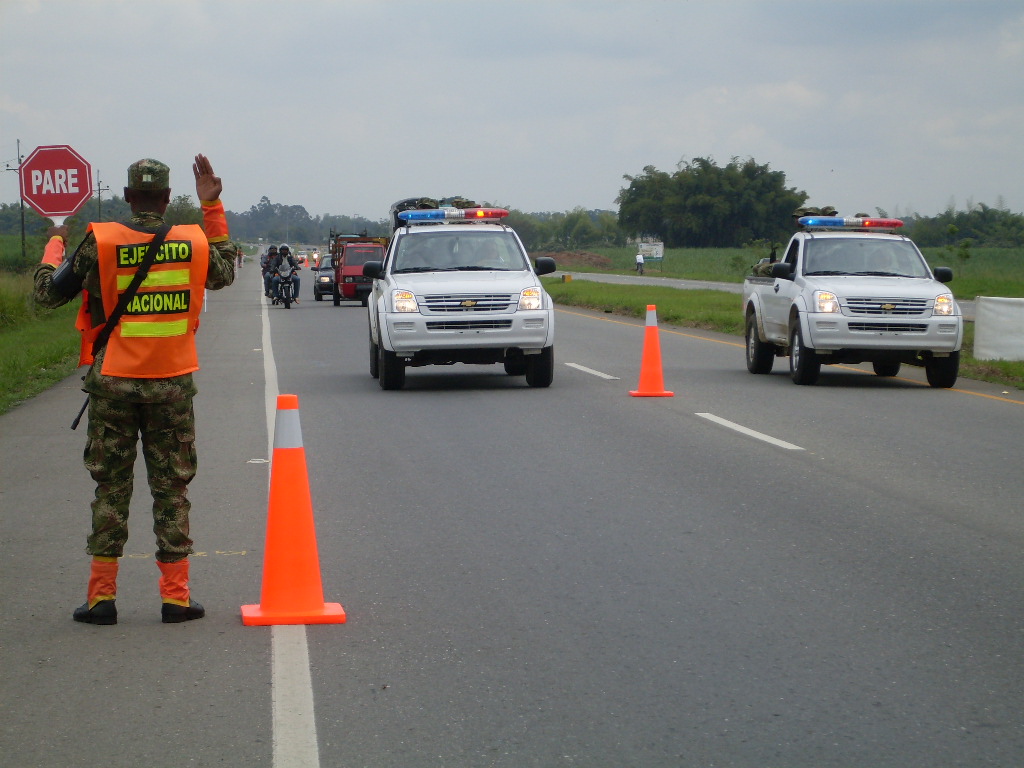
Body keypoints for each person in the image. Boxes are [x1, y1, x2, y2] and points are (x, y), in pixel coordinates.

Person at [33, 154, 236, 625]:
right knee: (172, 490)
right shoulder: (191, 240)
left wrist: (53, 249)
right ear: (167, 198)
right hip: (171, 388)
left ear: (127, 197)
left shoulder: (100, 241)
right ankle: (177, 598)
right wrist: (211, 206)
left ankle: (102, 598)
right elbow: (224, 272)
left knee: (111, 488)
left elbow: (48, 294)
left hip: (113, 389)